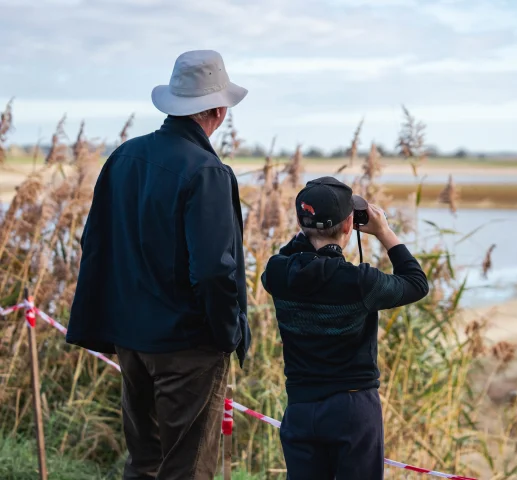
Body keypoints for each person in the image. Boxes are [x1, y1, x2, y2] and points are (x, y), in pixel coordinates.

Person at [66, 50, 251, 480]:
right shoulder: (208, 172)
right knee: (186, 470)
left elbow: (94, 243)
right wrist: (226, 335)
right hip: (187, 348)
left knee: (144, 463)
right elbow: (212, 270)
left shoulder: (123, 158)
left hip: (131, 341)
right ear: (219, 111)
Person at [261, 177, 429, 480]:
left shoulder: (276, 273)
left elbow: (292, 252)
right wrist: (384, 232)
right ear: (349, 224)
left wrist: (311, 229)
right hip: (352, 408)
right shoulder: (359, 282)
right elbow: (416, 283)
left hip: (300, 407)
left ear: (301, 223)